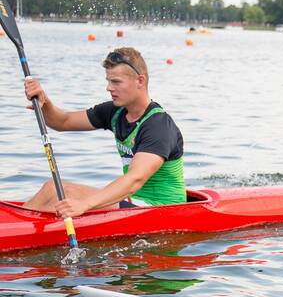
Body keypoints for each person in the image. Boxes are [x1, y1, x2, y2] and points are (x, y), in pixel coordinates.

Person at [21, 47, 185, 217]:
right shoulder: (115, 111)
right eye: (108, 81)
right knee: (53, 194)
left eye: (116, 82)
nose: (108, 88)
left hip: (162, 210)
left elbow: (135, 179)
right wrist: (44, 101)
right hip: (132, 202)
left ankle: (15, 230)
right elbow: (63, 121)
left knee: (55, 191)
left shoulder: (158, 126)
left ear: (140, 81)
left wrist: (84, 204)